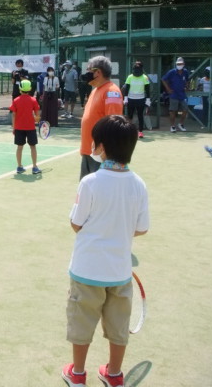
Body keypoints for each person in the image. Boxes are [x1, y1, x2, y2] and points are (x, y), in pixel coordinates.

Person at [62, 114, 149, 387]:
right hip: (120, 273)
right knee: (118, 327)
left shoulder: (90, 182)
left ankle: (77, 374)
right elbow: (141, 228)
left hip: (87, 271)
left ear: (100, 147)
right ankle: (113, 374)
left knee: (81, 323)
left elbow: (76, 224)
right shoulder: (138, 184)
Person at [79, 56, 124, 180]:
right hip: (89, 151)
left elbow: (113, 125)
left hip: (101, 155)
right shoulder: (95, 91)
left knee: (99, 193)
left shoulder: (111, 91)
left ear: (97, 72)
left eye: (89, 70)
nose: (86, 74)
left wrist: (104, 152)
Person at [10, 79, 41, 174]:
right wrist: (36, 118)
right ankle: (35, 167)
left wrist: (13, 127)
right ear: (30, 89)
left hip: (19, 128)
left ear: (20, 89)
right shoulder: (33, 100)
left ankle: (19, 167)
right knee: (33, 147)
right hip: (30, 128)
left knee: (19, 147)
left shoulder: (15, 100)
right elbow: (37, 117)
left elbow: (14, 115)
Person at [121, 61, 151, 138]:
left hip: (141, 99)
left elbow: (147, 89)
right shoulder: (130, 77)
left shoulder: (145, 77)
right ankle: (129, 131)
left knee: (140, 115)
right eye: (135, 68)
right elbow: (127, 88)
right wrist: (126, 98)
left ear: (141, 69)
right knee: (130, 116)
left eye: (138, 68)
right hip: (131, 99)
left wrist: (148, 99)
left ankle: (140, 132)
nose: (137, 69)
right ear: (133, 69)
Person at [161, 57, 190, 133]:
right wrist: (168, 89)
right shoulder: (172, 72)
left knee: (185, 109)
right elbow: (163, 79)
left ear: (183, 64)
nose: (179, 65)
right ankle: (172, 126)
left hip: (182, 94)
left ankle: (181, 124)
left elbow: (187, 80)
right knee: (173, 111)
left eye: (180, 64)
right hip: (173, 94)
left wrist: (186, 87)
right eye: (178, 64)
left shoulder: (185, 72)